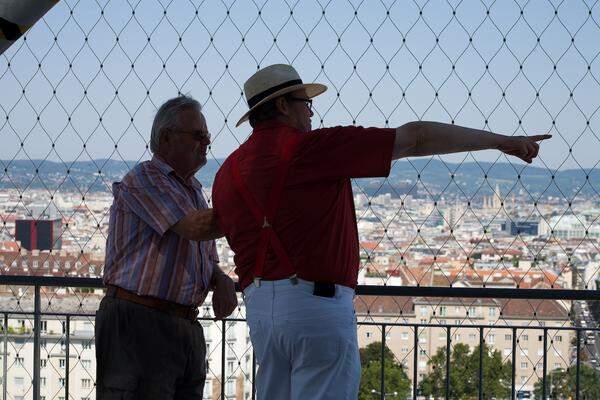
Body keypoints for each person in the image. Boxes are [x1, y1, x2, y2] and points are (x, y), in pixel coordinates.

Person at [211, 64, 550, 399]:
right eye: (306, 104)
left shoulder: (228, 172)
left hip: (260, 310)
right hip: (315, 307)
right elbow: (414, 137)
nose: (311, 114)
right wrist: (501, 142)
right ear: (284, 106)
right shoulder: (311, 148)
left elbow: (223, 226)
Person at [95, 95, 237, 399]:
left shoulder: (192, 190)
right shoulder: (146, 178)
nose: (206, 143)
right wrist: (257, 210)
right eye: (198, 136)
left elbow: (203, 256)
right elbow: (195, 228)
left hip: (178, 324)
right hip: (142, 324)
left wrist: (220, 278)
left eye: (207, 137)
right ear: (165, 138)